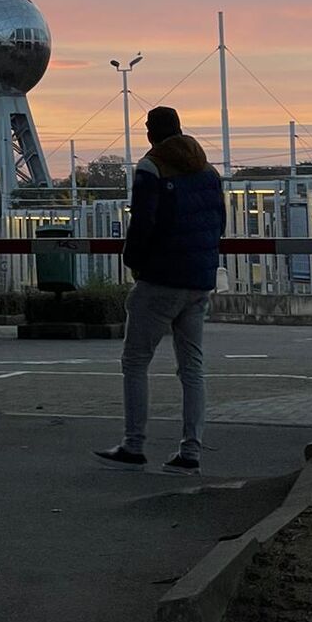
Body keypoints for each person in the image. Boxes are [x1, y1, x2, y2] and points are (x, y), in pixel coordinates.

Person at [95, 105, 226, 475]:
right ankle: (191, 451)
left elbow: (144, 222)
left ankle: (134, 445)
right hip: (199, 281)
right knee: (192, 368)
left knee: (136, 361)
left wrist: (133, 261)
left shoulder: (151, 167)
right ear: (180, 128)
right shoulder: (208, 171)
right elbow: (219, 223)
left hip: (160, 280)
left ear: (151, 132)